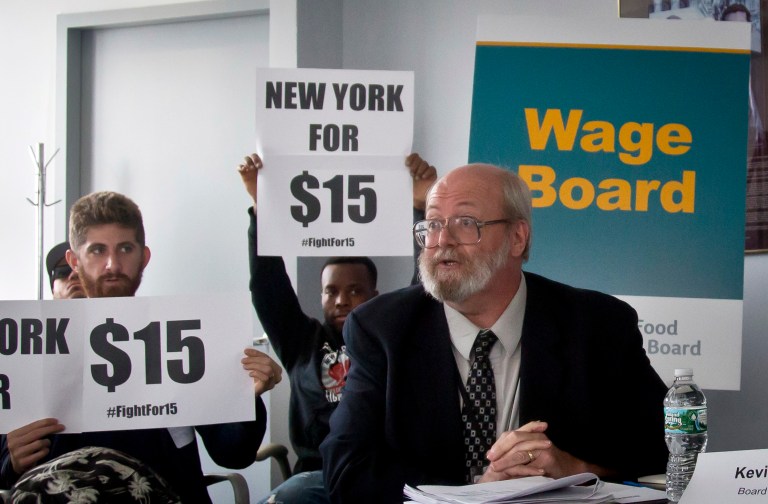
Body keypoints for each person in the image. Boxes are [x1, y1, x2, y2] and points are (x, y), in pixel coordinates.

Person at [320, 163, 669, 502]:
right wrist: (473, 491)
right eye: (433, 223)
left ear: (517, 237)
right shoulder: (381, 328)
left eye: (465, 222)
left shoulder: (597, 325)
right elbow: (346, 469)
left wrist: (576, 470)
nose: (442, 239)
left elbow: (669, 447)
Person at [1, 191, 283, 503]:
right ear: (74, 260)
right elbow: (7, 461)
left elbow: (234, 453)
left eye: (125, 248)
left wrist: (245, 396)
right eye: (97, 250)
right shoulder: (28, 346)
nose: (112, 265)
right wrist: (9, 459)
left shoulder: (183, 339)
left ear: (143, 257)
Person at [238, 152, 436, 503]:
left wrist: (421, 208)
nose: (342, 300)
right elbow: (268, 287)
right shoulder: (301, 341)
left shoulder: (392, 337)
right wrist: (261, 208)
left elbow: (426, 289)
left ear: (375, 294)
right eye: (332, 291)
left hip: (379, 475)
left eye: (355, 290)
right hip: (317, 477)